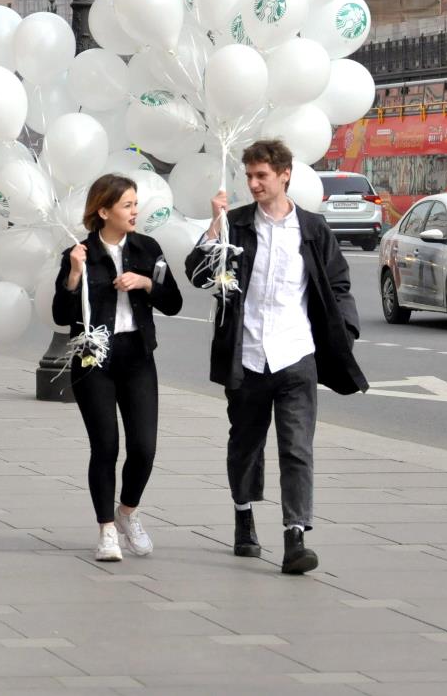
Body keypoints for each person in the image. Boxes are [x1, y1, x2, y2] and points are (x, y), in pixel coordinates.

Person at [185, 139, 367, 575]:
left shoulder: (312, 229)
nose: (253, 184)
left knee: (296, 447)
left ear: (285, 175)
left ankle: (295, 536)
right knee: (245, 446)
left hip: (295, 353)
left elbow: (338, 285)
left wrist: (348, 329)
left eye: (261, 176)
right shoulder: (236, 224)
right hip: (246, 355)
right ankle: (244, 516)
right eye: (249, 176)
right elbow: (195, 274)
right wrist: (214, 226)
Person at [52, 174, 182, 562]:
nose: (135, 211)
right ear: (103, 210)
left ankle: (127, 512)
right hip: (94, 358)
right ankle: (106, 529)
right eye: (127, 205)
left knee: (144, 447)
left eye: (135, 204)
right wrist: (74, 274)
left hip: (137, 355)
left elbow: (173, 302)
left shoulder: (147, 248)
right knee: (105, 445)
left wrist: (145, 282)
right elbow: (61, 314)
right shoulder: (78, 252)